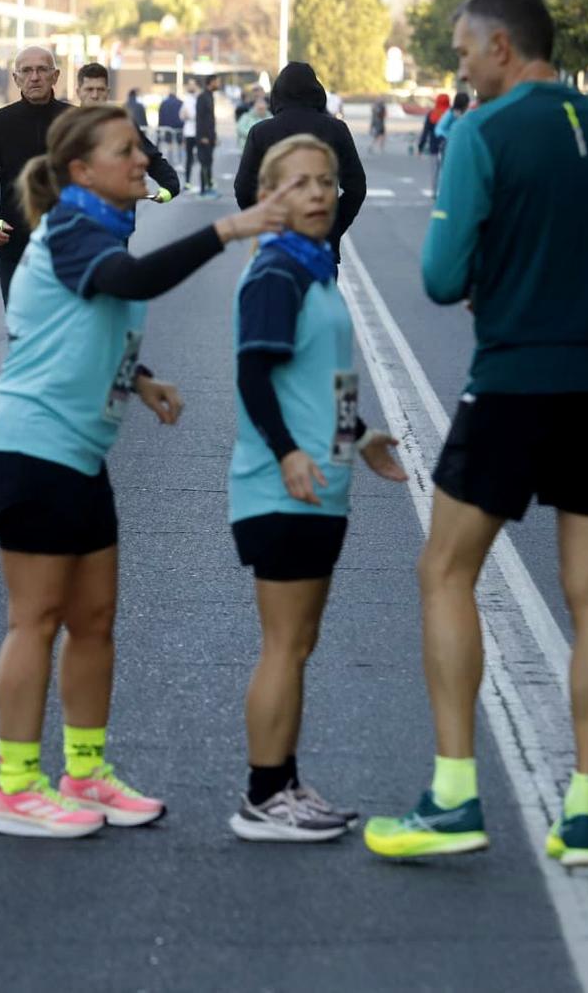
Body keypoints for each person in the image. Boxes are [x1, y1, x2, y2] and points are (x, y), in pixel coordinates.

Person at [364, 0, 588, 867]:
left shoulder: (481, 133)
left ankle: (455, 796)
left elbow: (437, 274)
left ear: (502, 46)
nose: (461, 65)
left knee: (445, 568)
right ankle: (583, 812)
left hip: (512, 377)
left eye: (465, 49)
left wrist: (502, 272)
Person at [0, 104, 297, 838]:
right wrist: (229, 228)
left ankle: (84, 772)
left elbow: (80, 319)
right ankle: (15, 786)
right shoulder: (74, 227)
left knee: (94, 622)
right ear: (82, 171)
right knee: (37, 620)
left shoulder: (101, 222)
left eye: (141, 148)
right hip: (30, 449)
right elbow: (132, 279)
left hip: (79, 453)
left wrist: (139, 376)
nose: (143, 160)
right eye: (127, 151)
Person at [227, 136, 406, 841]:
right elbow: (253, 374)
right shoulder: (277, 270)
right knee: (283, 643)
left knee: (297, 644)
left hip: (320, 479)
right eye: (299, 183)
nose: (319, 193)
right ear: (270, 196)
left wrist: (359, 438)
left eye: (327, 182)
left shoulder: (315, 267)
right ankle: (264, 796)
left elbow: (317, 377)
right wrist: (288, 454)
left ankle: (283, 783)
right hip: (282, 487)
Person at [233, 62, 369, 262]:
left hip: (277, 241)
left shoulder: (261, 132)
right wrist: (332, 224)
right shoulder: (336, 129)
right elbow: (356, 187)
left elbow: (244, 189)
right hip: (321, 243)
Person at [0, 47, 67, 305]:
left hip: (67, 245)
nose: (34, 77)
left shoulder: (75, 121)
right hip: (15, 247)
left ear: (55, 76)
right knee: (22, 332)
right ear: (16, 79)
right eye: (26, 70)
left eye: (42, 70)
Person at [75, 62, 179, 199]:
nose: (95, 95)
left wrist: (170, 185)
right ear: (78, 92)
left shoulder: (123, 124)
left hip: (119, 209)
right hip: (79, 208)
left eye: (100, 89)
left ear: (108, 92)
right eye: (89, 89)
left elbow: (150, 157)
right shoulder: (66, 126)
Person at [190, 77, 219, 195]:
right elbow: (200, 118)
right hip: (203, 137)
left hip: (210, 137)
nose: (218, 84)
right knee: (204, 162)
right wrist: (202, 136)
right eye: (217, 82)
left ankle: (208, 186)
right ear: (211, 82)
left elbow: (211, 119)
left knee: (209, 162)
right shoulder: (202, 97)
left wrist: (214, 136)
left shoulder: (211, 96)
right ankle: (203, 189)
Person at [158, 88, 183, 160]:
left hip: (167, 127)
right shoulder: (180, 102)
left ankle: (170, 161)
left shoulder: (164, 103)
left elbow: (161, 116)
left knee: (169, 145)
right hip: (179, 127)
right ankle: (179, 162)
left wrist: (160, 128)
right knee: (180, 145)